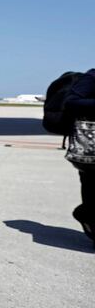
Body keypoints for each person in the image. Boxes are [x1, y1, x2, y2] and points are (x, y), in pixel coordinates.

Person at [64, 68, 95, 243]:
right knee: (91, 191)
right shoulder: (92, 77)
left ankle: (86, 214)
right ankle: (86, 214)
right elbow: (70, 103)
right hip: (91, 148)